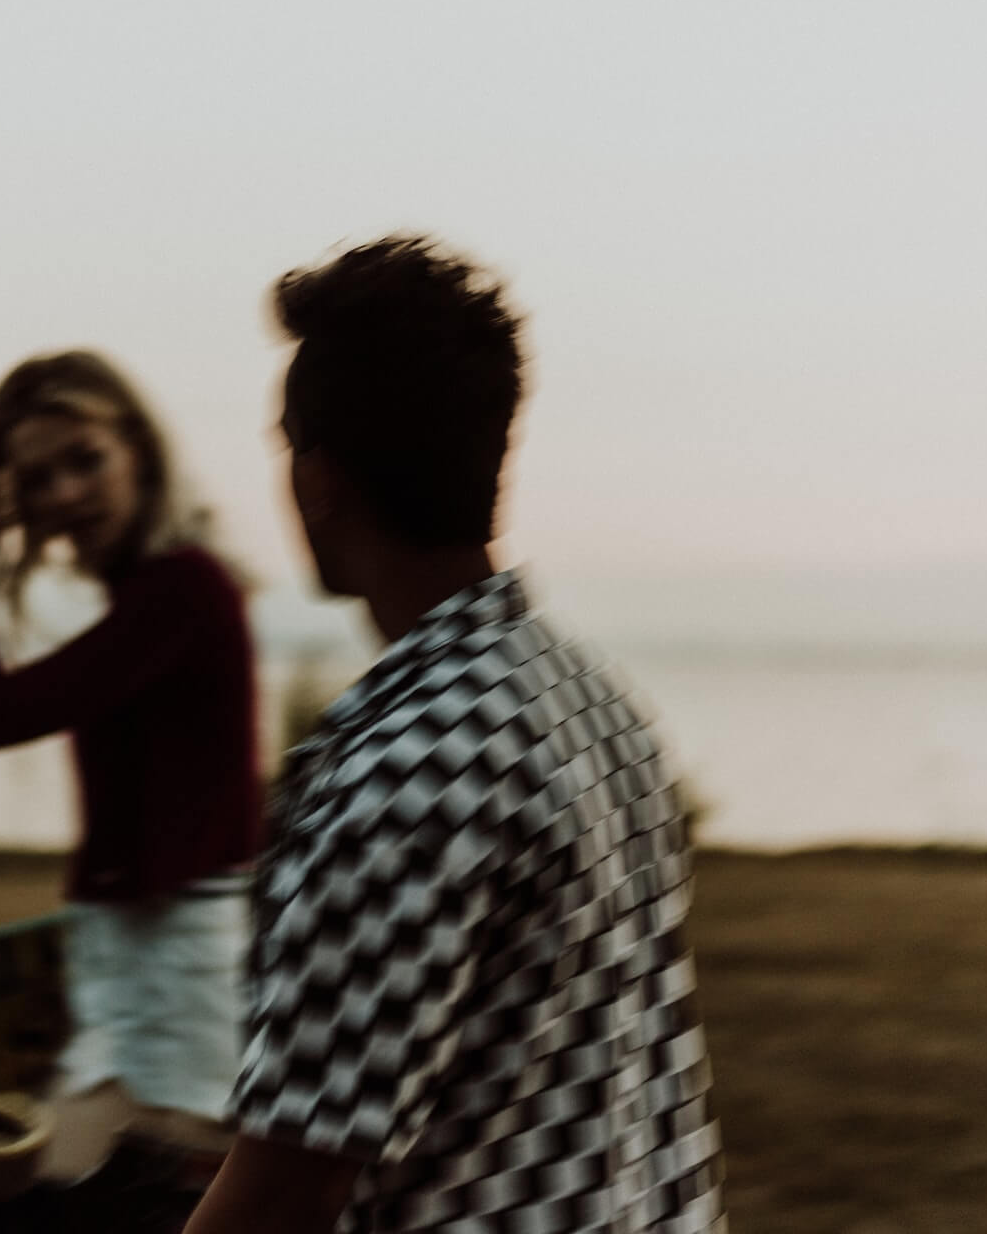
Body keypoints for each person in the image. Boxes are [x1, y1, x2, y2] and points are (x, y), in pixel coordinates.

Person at [185, 238, 727, 1233]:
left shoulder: (404, 773)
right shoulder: (596, 703)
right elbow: (502, 1088)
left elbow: (287, 1192)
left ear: (317, 479)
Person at [0, 348, 263, 1183]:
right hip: (131, 969)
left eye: (86, 461)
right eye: (38, 479)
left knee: (53, 1204)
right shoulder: (150, 600)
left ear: (140, 454)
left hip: (180, 983)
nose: (65, 495)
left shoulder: (184, 590)